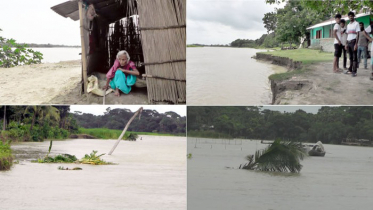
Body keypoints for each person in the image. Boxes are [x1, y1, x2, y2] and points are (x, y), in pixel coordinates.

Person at [345, 11, 360, 77]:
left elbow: (358, 34)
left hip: (354, 42)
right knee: (350, 57)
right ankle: (350, 70)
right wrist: (346, 44)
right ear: (348, 17)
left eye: (352, 16)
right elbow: (347, 34)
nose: (351, 17)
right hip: (349, 42)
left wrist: (356, 44)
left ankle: (354, 71)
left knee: (354, 58)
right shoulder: (348, 25)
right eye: (349, 16)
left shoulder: (356, 24)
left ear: (353, 16)